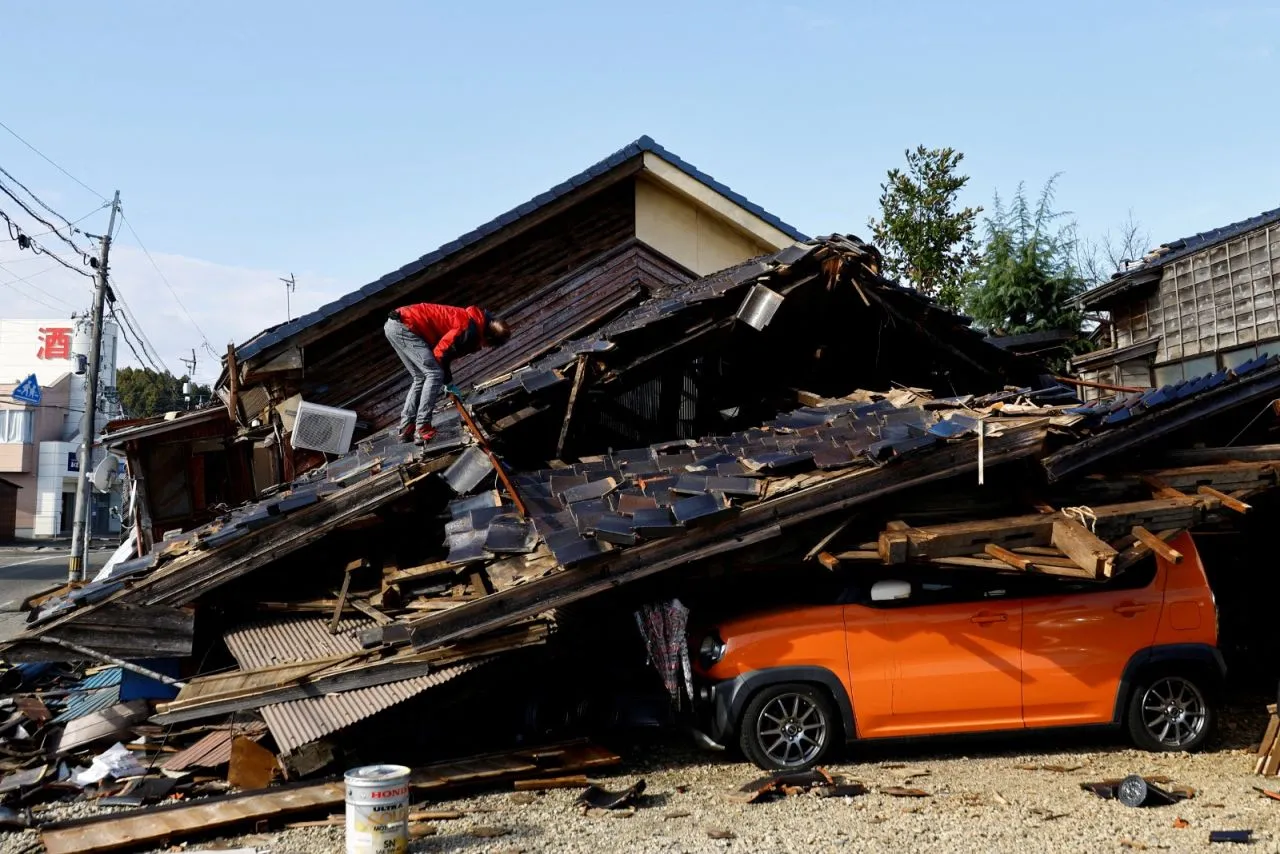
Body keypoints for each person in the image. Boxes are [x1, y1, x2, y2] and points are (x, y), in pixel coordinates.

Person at [384, 302, 511, 443]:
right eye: (489, 344)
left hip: (396, 325)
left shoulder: (473, 322)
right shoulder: (469, 330)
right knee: (434, 374)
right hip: (407, 326)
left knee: (420, 377)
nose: (485, 347)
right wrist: (448, 383)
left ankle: (407, 427)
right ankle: (423, 427)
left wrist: (448, 382)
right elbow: (440, 353)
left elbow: (445, 355)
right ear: (489, 337)